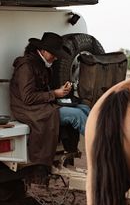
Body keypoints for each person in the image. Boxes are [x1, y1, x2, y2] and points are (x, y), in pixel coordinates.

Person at [9, 32, 90, 168]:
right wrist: (55, 94)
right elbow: (28, 98)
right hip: (28, 110)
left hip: (41, 106)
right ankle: (103, 146)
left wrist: (60, 91)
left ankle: (91, 144)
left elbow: (42, 90)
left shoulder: (42, 64)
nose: (56, 58)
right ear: (43, 51)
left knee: (84, 108)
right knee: (77, 115)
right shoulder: (27, 66)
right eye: (53, 53)